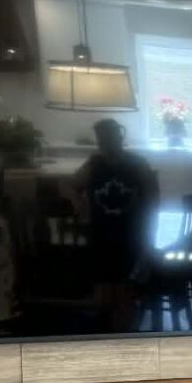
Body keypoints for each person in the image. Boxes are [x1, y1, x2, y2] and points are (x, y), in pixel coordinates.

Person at [73, 119, 158, 329]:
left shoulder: (138, 163)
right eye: (101, 139)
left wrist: (149, 233)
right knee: (103, 289)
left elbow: (153, 199)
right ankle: (105, 330)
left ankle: (123, 332)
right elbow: (68, 184)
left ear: (119, 137)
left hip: (131, 234)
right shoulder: (93, 164)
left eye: (109, 138)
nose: (104, 143)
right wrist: (78, 201)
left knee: (125, 289)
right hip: (101, 233)